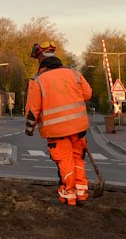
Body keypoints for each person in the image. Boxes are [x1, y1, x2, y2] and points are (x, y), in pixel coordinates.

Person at [24, 41, 94, 206]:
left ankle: (69, 197)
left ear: (39, 58)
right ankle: (81, 193)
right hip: (79, 128)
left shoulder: (38, 80)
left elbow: (33, 110)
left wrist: (29, 129)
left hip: (57, 131)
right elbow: (87, 94)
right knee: (78, 159)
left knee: (65, 162)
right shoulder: (74, 74)